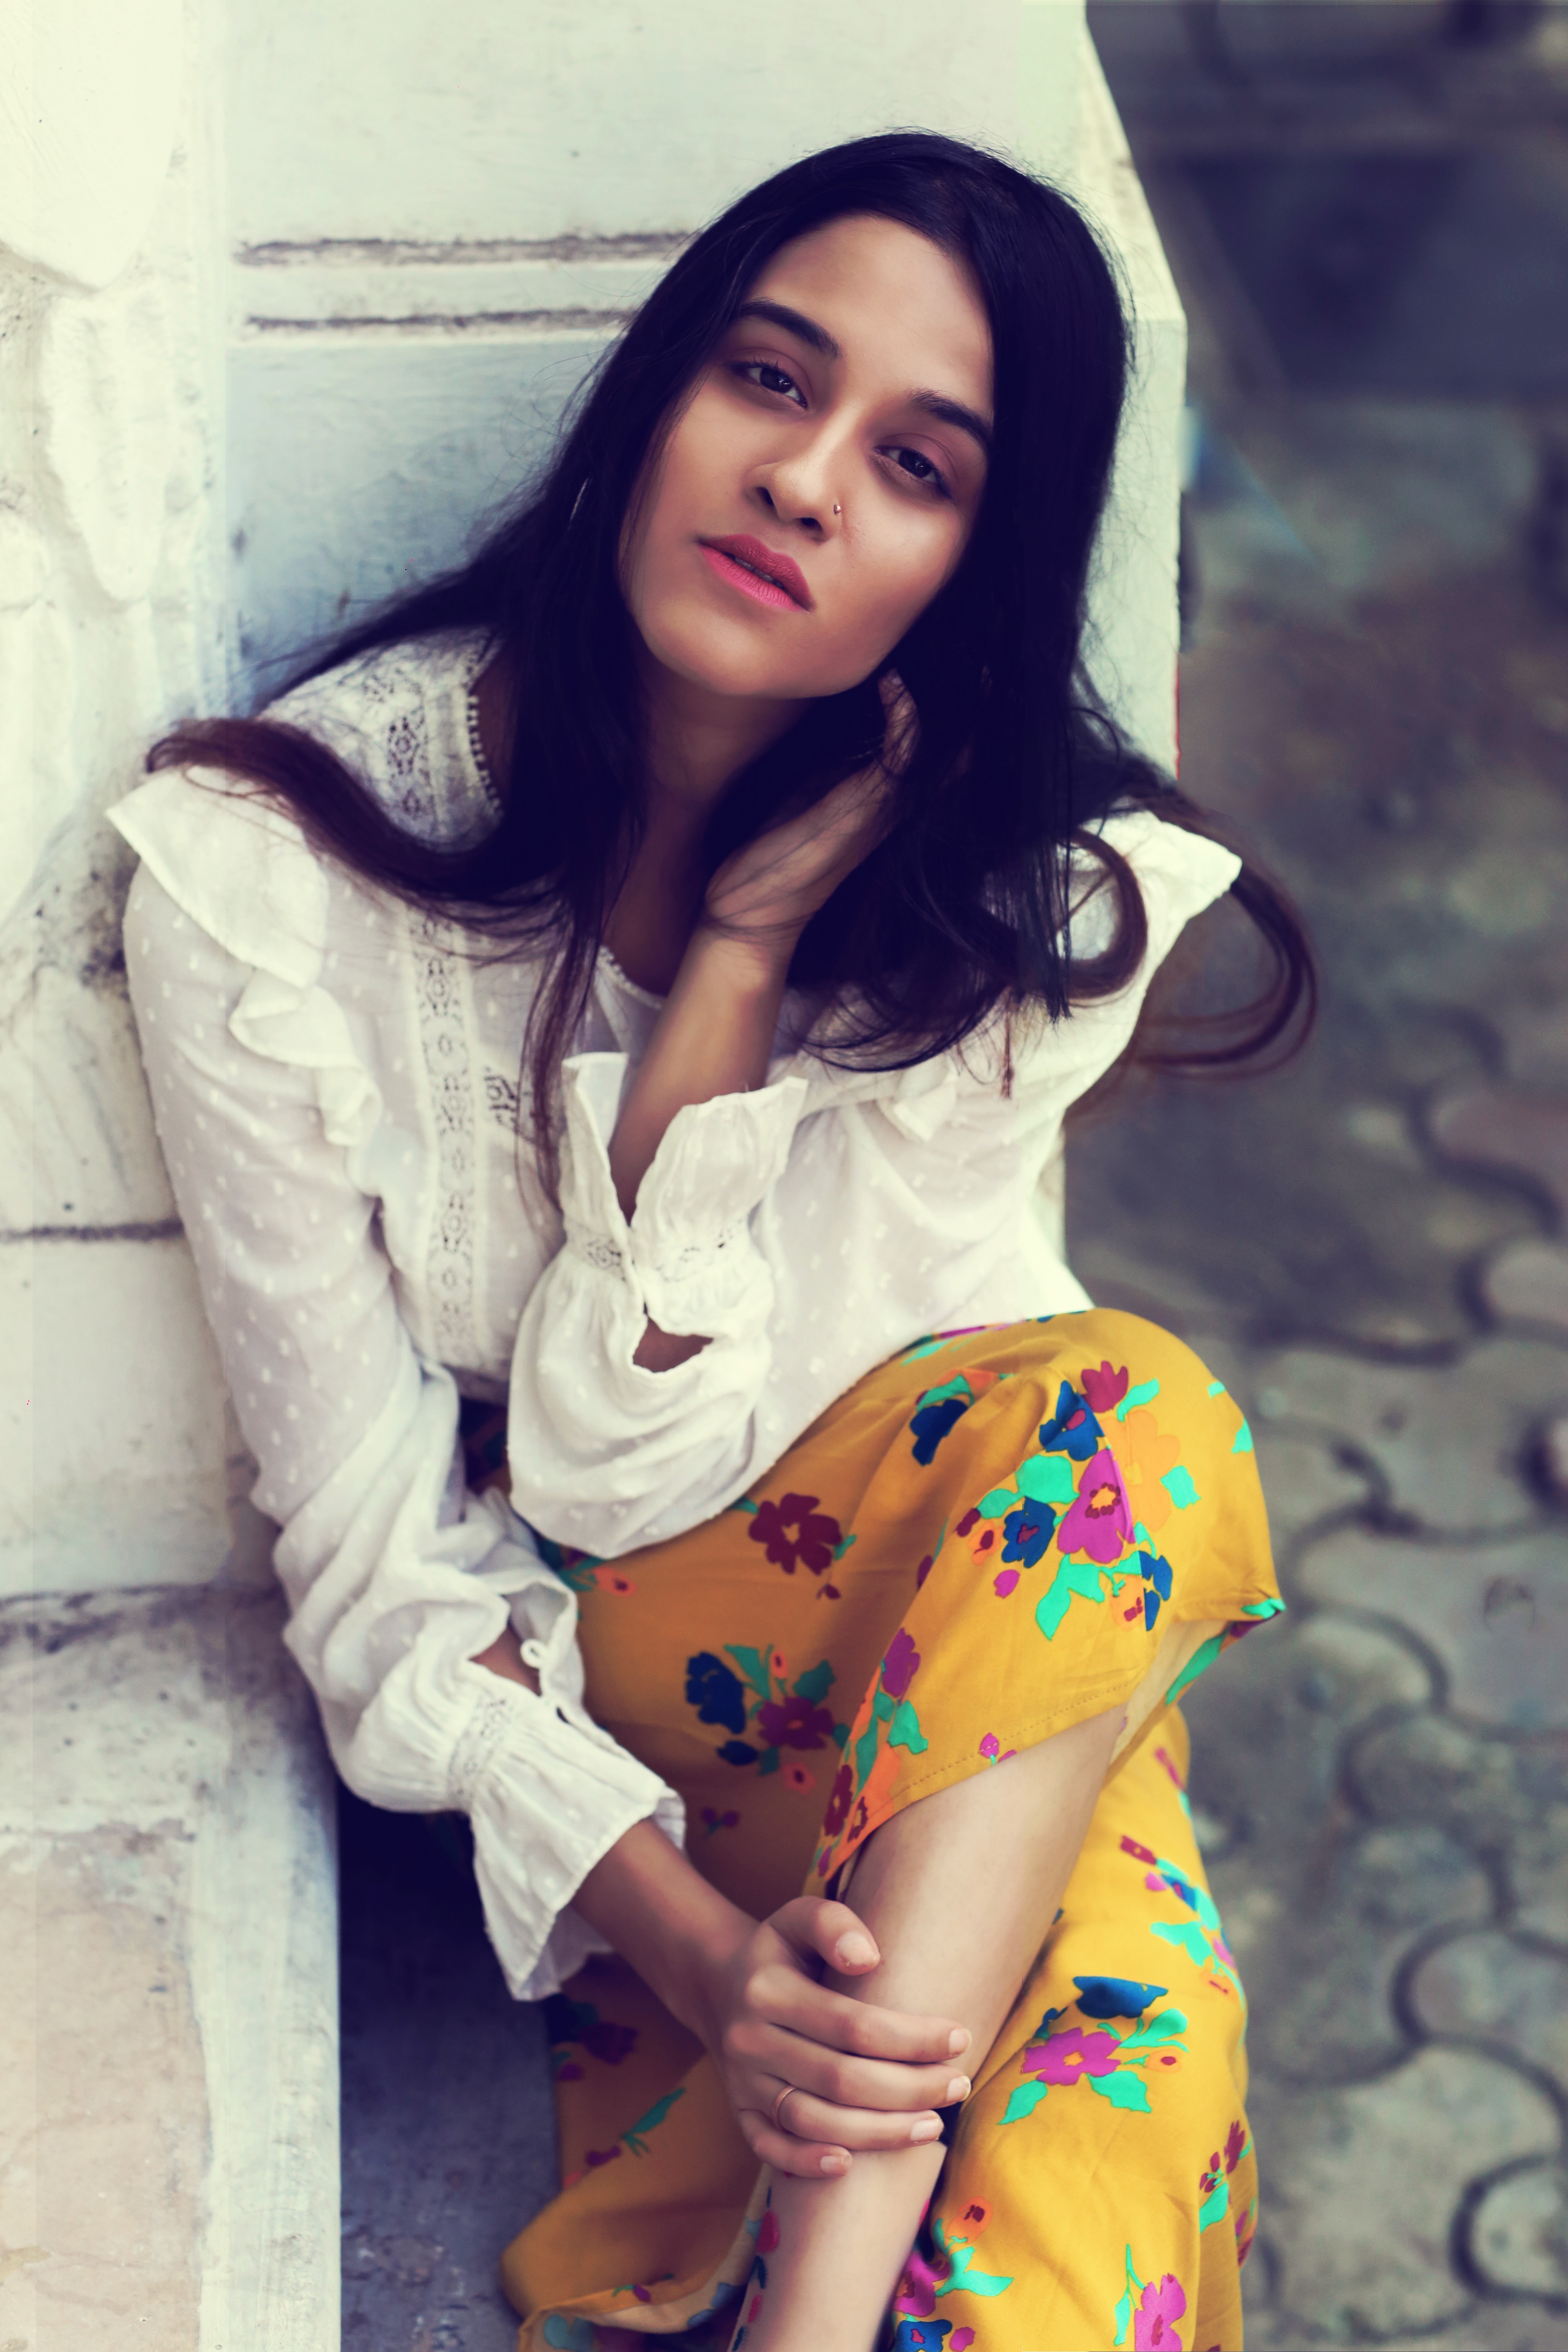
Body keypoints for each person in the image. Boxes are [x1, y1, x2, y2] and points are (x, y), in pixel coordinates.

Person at [113, 134, 1310, 2352]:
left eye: (918, 465)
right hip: (641, 1712)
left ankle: (809, 2313)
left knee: (1103, 2138)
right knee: (1137, 1426)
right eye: (771, 377)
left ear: (974, 566)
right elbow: (463, 1542)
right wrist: (701, 1958)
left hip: (975, 1667)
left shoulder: (995, 919)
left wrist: (755, 957)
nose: (802, 482)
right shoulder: (269, 876)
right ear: (661, 390)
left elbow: (908, 1446)